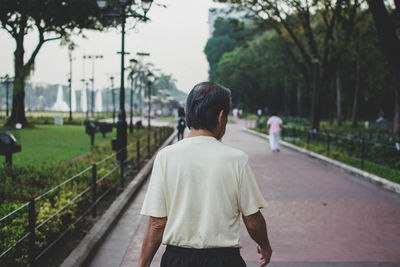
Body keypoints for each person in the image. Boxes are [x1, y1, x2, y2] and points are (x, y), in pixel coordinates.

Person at [139, 82, 273, 267]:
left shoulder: (166, 157)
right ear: (221, 117)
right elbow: (252, 219)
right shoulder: (236, 159)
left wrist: (142, 265)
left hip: (177, 260)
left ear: (188, 114)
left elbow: (156, 224)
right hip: (224, 260)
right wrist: (265, 246)